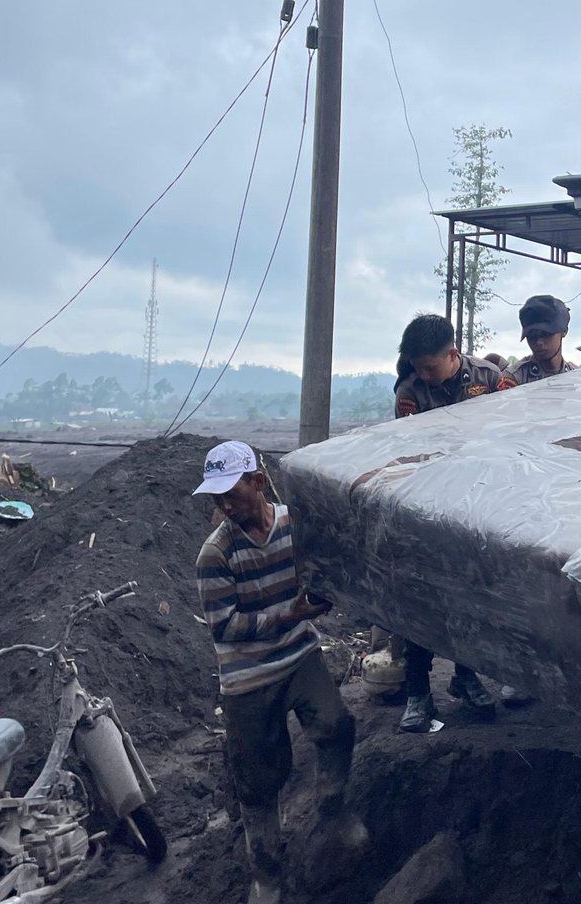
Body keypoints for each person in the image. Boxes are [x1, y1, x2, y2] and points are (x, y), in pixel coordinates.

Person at [195, 441, 365, 903]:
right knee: (257, 781)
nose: (225, 507)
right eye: (217, 499)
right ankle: (267, 876)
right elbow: (224, 626)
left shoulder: (295, 525)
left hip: (298, 653)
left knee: (336, 725)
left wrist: (327, 595)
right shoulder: (216, 555)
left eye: (231, 495)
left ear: (258, 482)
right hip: (247, 676)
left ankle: (332, 812)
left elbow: (322, 570)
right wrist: (288, 615)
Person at [392, 314, 509, 730]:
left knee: (472, 594)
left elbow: (513, 433)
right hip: (428, 506)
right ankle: (417, 691)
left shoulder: (489, 378)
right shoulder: (410, 392)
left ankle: (466, 675)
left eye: (429, 367)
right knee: (422, 596)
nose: (424, 375)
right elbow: (412, 450)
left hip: (481, 503)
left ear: (452, 354)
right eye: (418, 367)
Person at [513, 295, 577, 383]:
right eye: (531, 336)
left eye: (546, 334)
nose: (538, 342)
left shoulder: (576, 377)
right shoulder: (515, 378)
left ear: (564, 331)